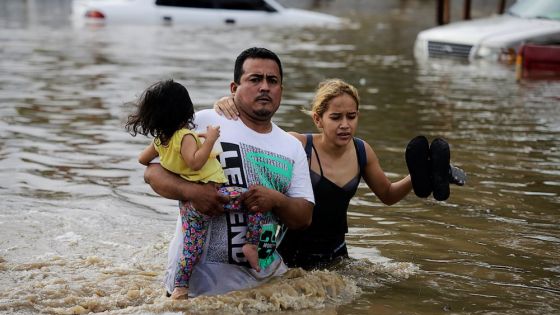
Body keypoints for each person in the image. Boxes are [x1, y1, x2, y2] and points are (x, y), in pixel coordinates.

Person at [214, 78, 465, 270]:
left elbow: (388, 195)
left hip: (336, 256)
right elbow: (256, 140)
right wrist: (230, 104)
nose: (345, 124)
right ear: (318, 119)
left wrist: (419, 174)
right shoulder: (297, 145)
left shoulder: (361, 150)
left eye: (351, 116)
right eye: (336, 117)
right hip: (290, 255)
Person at [142, 47, 315, 297]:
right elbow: (151, 173)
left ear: (281, 91)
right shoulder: (203, 122)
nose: (265, 87)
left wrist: (275, 200)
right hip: (195, 290)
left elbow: (304, 217)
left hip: (262, 288)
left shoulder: (291, 147)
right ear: (234, 88)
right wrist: (192, 191)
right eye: (255, 79)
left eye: (272, 81)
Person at [126, 80, 266, 300]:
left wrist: (171, 161)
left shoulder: (161, 140)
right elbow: (195, 162)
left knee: (192, 248)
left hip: (188, 205)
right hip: (214, 193)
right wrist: (209, 140)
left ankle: (180, 287)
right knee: (256, 200)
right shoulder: (185, 136)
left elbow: (143, 159)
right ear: (185, 110)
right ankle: (251, 244)